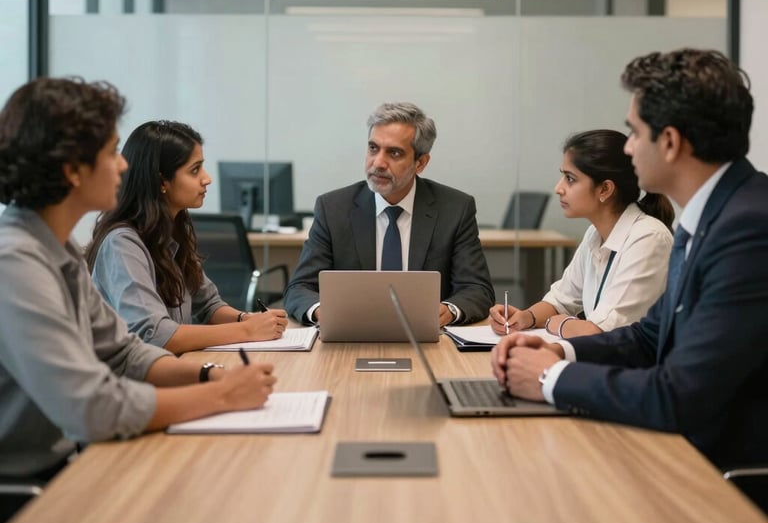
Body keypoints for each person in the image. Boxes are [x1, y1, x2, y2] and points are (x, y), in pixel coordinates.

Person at [492, 48, 768, 475]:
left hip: (721, 475)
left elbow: (679, 396)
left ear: (671, 143)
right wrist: (556, 348)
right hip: (685, 450)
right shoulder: (714, 215)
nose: (628, 146)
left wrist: (550, 378)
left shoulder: (748, 228)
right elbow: (646, 339)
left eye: (635, 132)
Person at [0, 78, 276, 484]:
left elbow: (125, 353)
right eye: (112, 152)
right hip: (24, 489)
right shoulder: (16, 265)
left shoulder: (58, 251)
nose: (125, 165)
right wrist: (220, 396)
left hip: (63, 466)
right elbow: (93, 408)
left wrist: (210, 375)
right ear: (72, 170)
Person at [284, 102, 495, 326]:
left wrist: (449, 310)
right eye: (373, 148)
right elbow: (299, 288)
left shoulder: (455, 209)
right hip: (350, 336)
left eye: (394, 153)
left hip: (428, 339)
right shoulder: (333, 208)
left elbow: (477, 289)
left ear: (420, 163)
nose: (378, 163)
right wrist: (320, 311)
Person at [86, 121, 287, 354]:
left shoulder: (173, 231)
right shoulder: (122, 244)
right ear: (162, 182)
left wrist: (246, 319)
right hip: (137, 383)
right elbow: (155, 335)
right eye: (195, 170)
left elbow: (209, 306)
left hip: (175, 366)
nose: (207, 178)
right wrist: (248, 331)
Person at [489, 130, 674, 338]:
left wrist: (559, 324)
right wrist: (525, 317)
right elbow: (561, 299)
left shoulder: (648, 238)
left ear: (605, 189)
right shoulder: (595, 233)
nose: (558, 188)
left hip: (634, 366)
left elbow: (603, 331)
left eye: (570, 179)